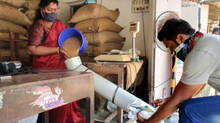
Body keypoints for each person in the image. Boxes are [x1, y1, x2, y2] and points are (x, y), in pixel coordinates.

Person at [139, 18, 220, 123]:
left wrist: (148, 122)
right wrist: (171, 100)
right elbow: (199, 84)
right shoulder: (207, 40)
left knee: (188, 109)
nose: (172, 52)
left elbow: (179, 100)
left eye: (171, 47)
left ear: (180, 38)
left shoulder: (199, 54)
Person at [28, 0, 85, 123]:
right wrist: (57, 50)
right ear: (42, 10)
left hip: (61, 68)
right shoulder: (39, 26)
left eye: (55, 10)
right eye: (50, 10)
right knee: (57, 98)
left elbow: (68, 41)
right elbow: (32, 49)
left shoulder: (59, 25)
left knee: (69, 96)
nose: (53, 13)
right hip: (44, 70)